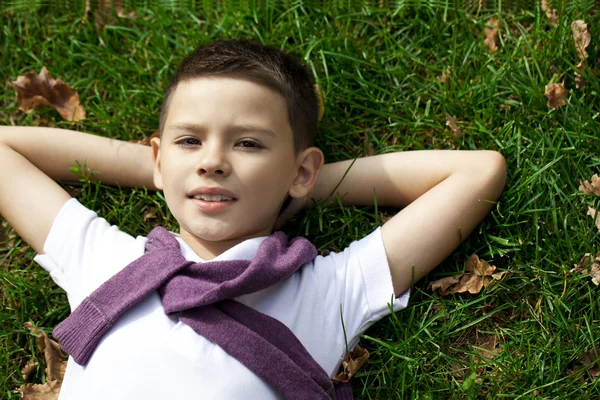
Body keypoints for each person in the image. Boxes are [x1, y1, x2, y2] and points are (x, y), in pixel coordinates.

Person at [0, 39, 506, 399]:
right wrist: (156, 170)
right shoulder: (107, 262)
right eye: (189, 141)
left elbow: (478, 172)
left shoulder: (327, 291)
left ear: (302, 168)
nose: (213, 161)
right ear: (159, 158)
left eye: (247, 144)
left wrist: (295, 187)